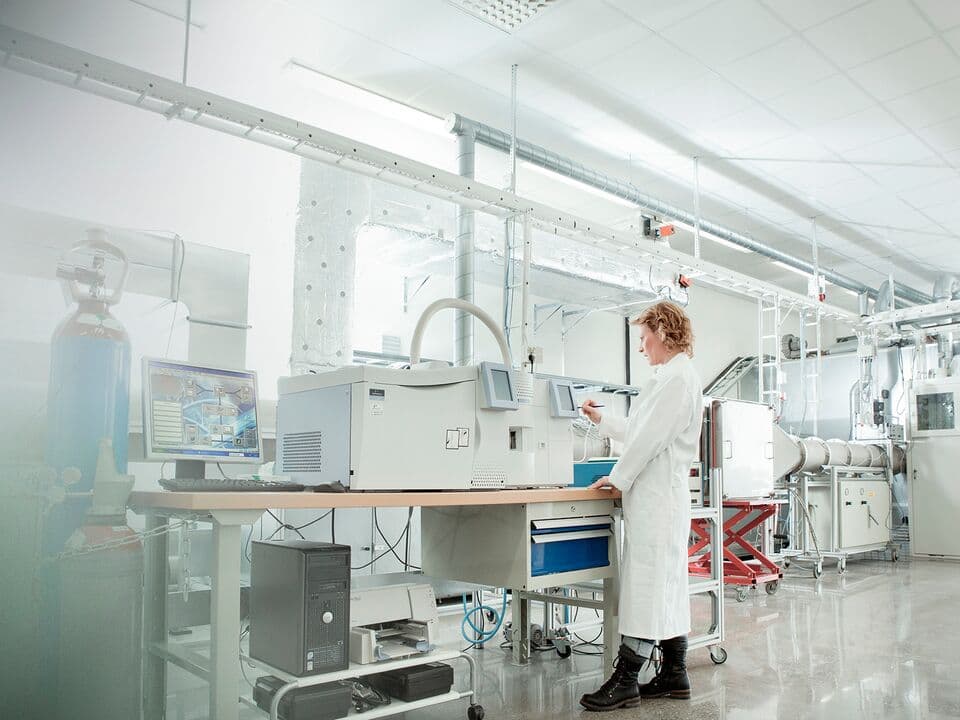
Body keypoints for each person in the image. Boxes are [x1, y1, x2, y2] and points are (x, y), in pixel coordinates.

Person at [578, 300, 703, 712]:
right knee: (665, 585)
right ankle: (674, 673)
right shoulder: (671, 377)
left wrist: (618, 476)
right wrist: (602, 421)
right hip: (657, 499)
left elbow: (646, 440)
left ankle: (627, 678)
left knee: (648, 587)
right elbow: (640, 429)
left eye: (645, 338)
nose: (642, 347)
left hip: (657, 500)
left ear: (663, 332)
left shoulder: (678, 379)